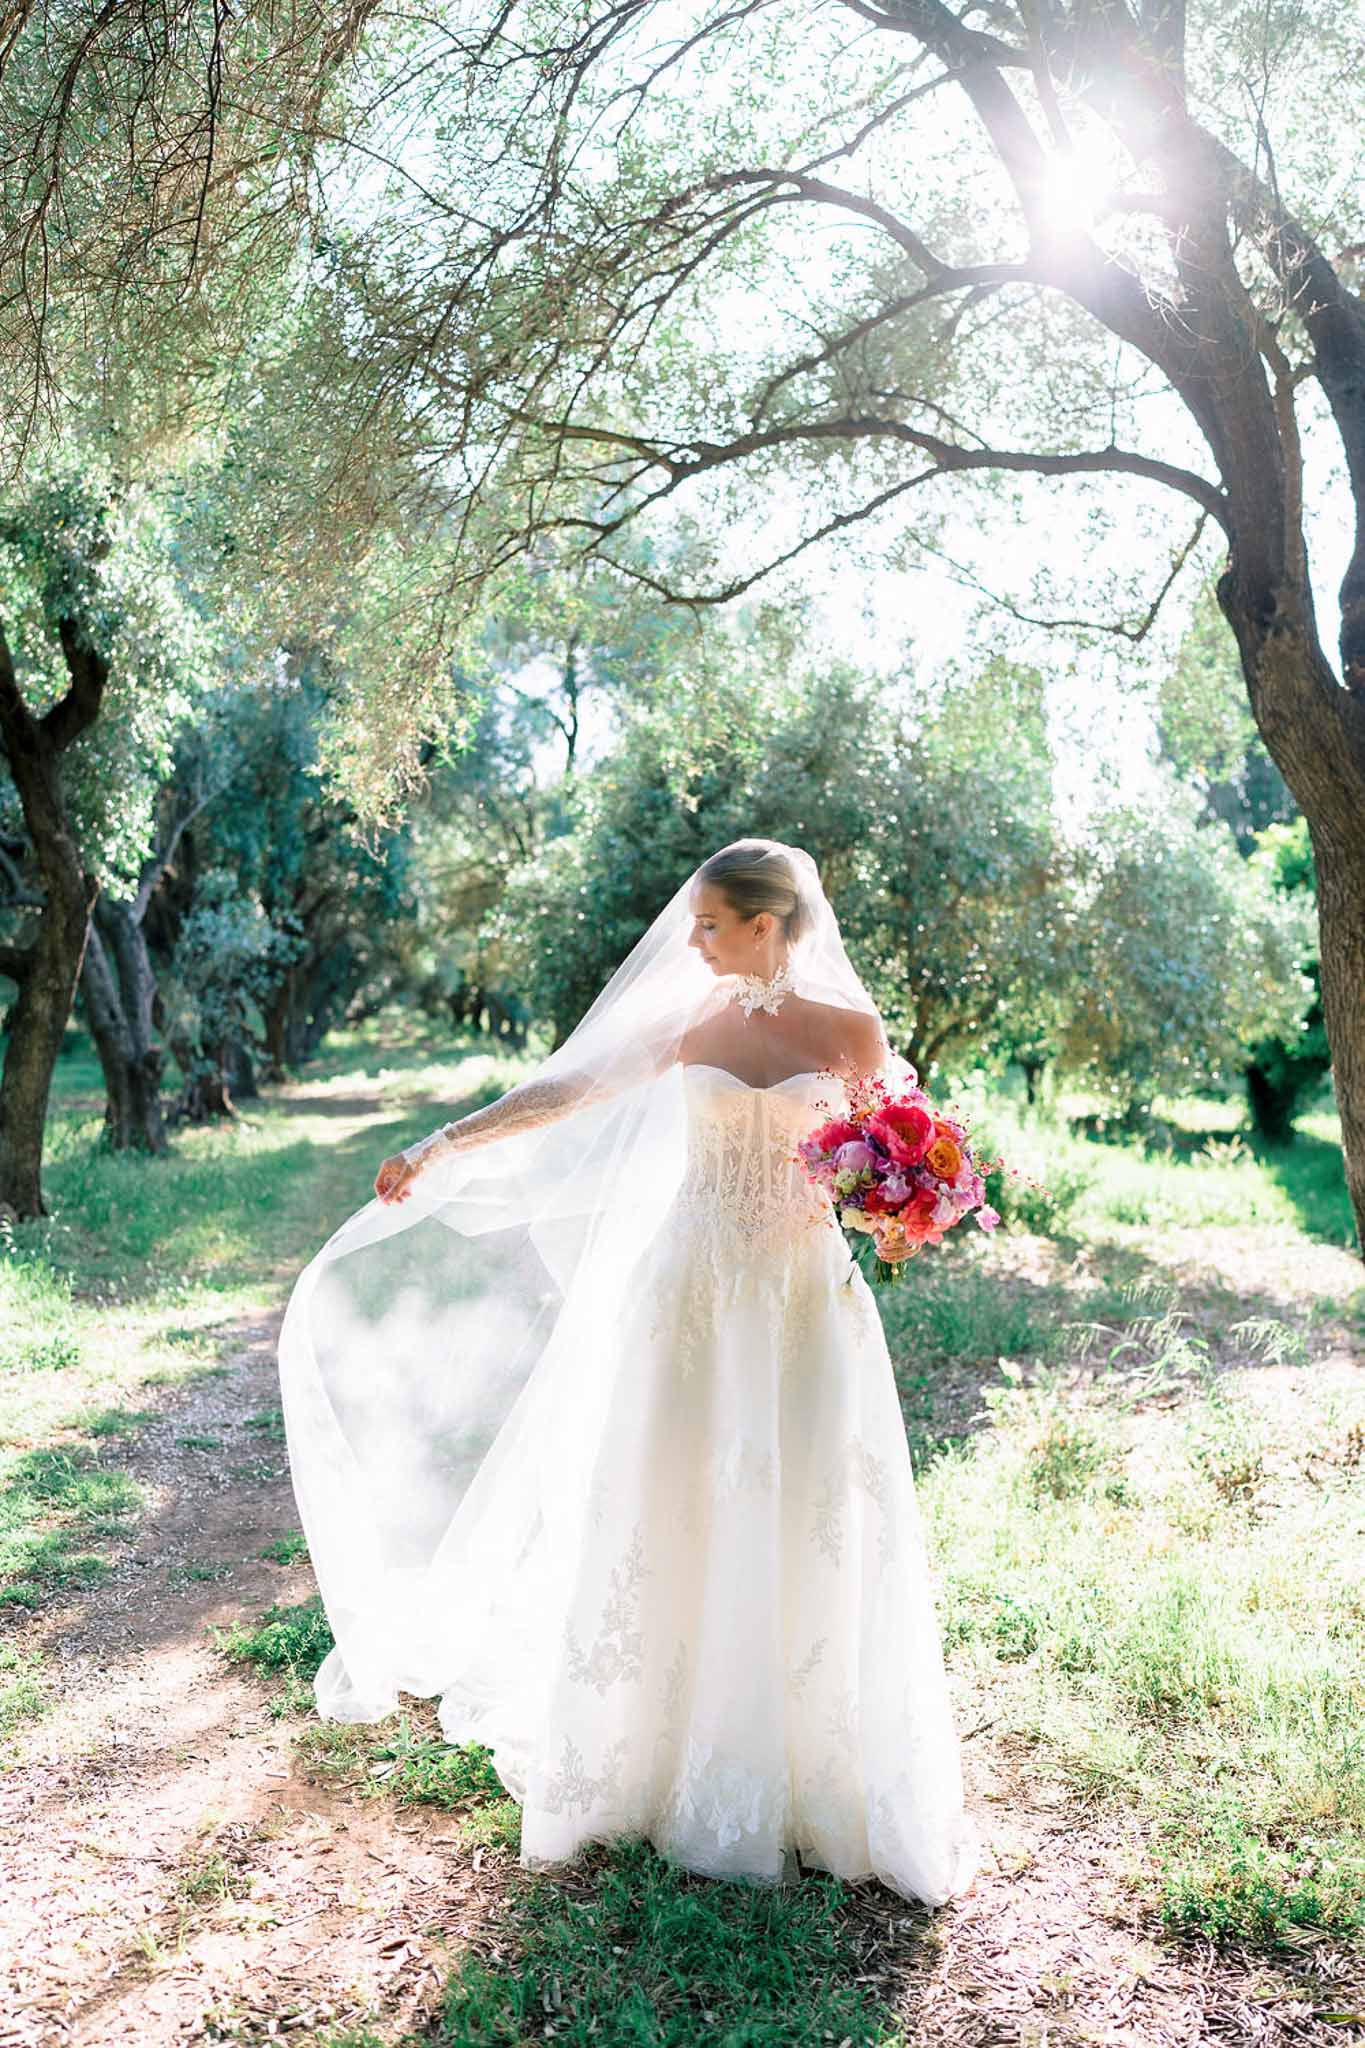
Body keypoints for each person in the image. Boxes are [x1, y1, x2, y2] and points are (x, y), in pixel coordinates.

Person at [277, 838, 981, 1906]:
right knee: (677, 1496)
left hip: (799, 1295)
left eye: (709, 925)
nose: (690, 942)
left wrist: (905, 1207)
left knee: (805, 1505)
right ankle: (656, 1753)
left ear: (766, 924)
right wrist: (443, 1144)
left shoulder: (850, 1030)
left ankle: (806, 1761)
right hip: (691, 1291)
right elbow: (567, 1090)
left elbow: (902, 1147)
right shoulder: (690, 1020)